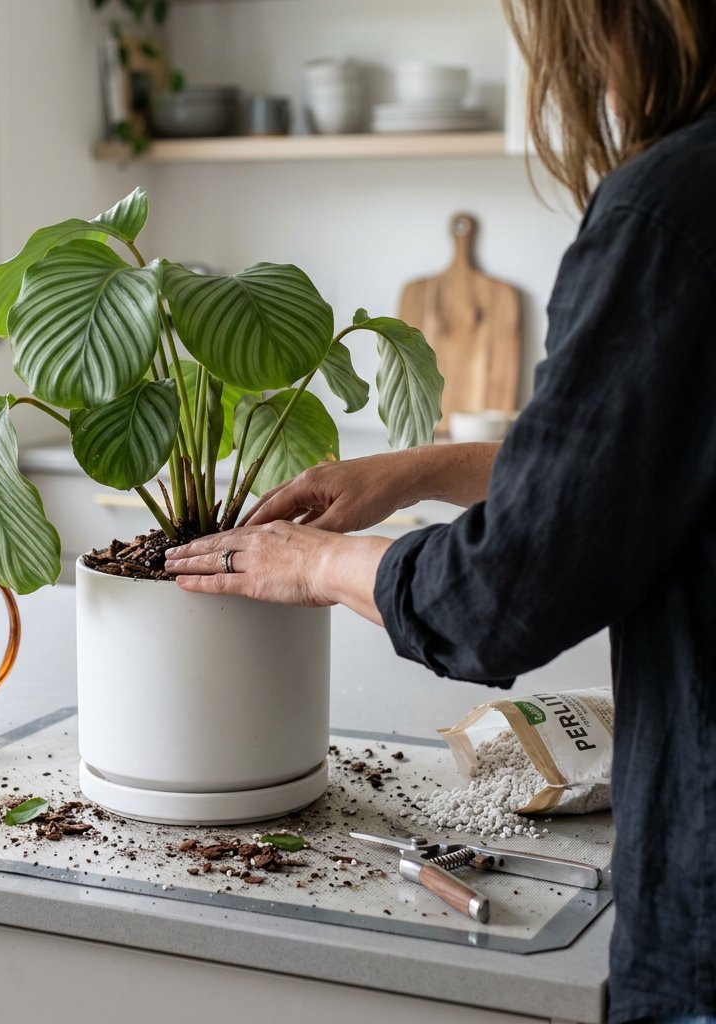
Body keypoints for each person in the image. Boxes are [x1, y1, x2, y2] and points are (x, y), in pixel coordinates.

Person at [164, 2, 716, 1022]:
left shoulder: (670, 209)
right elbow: (643, 463)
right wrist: (423, 469)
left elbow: (506, 592)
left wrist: (316, 566)